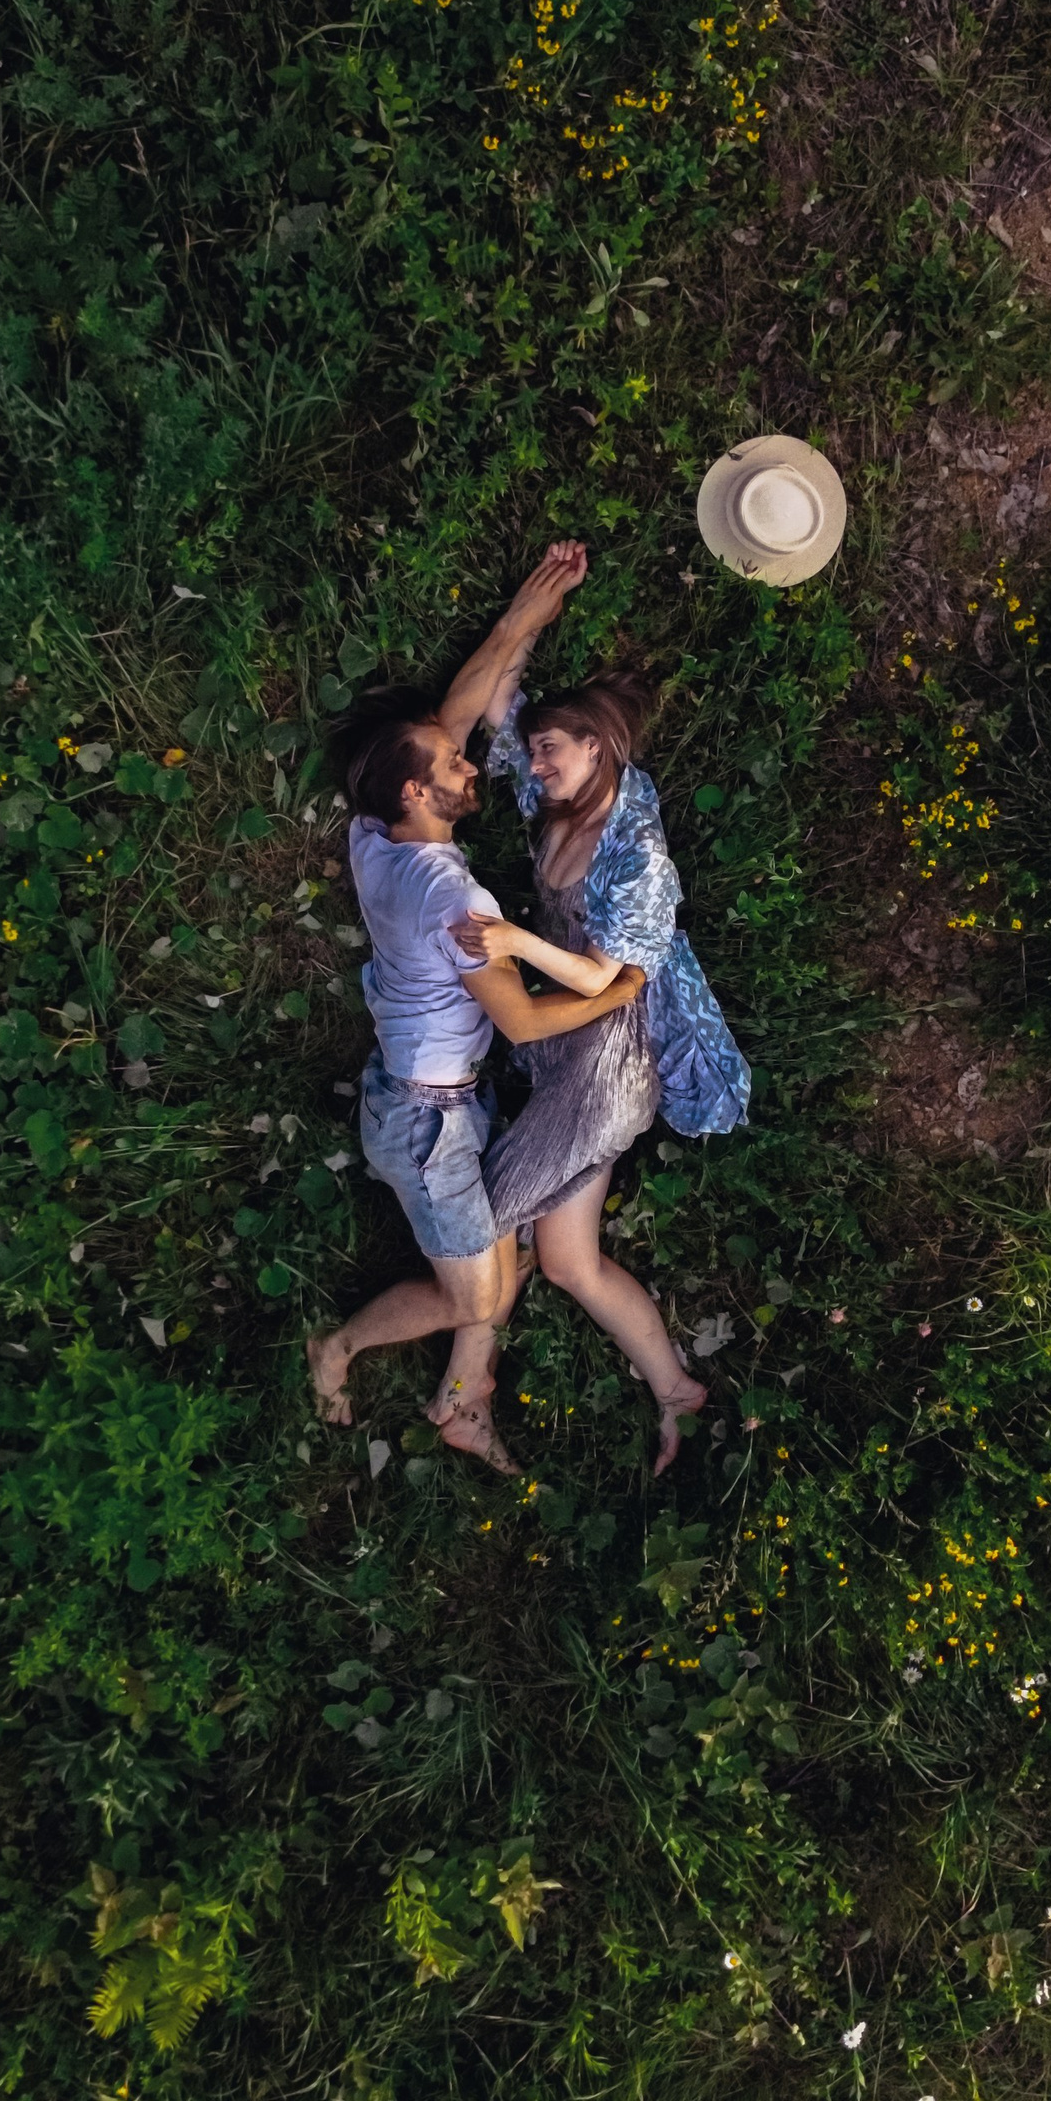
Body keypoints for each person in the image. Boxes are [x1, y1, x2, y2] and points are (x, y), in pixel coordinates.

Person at [306, 543, 643, 1471]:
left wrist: (523, 616)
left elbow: (449, 712)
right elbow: (524, 1021)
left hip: (429, 1099)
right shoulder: (455, 900)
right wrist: (618, 989)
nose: (470, 763)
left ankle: (460, 1403)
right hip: (425, 1124)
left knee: (508, 1258)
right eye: (454, 763)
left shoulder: (377, 831)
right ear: (419, 792)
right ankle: (337, 1346)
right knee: (478, 1298)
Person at [453, 664, 751, 1472]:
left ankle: (461, 1395)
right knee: (568, 1262)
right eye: (535, 751)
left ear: (596, 746)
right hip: (566, 1057)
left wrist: (514, 942)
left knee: (489, 1211)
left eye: (551, 748)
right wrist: (525, 622)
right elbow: (502, 703)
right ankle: (676, 1390)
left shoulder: (636, 854)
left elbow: (600, 977)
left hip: (609, 1071)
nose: (536, 763)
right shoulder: (558, 800)